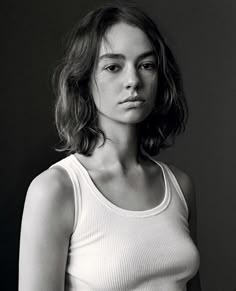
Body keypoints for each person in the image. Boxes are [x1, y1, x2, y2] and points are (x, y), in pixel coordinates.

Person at [19, 3, 201, 291]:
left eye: (146, 65)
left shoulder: (179, 185)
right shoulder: (56, 190)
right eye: (113, 67)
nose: (133, 81)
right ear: (84, 80)